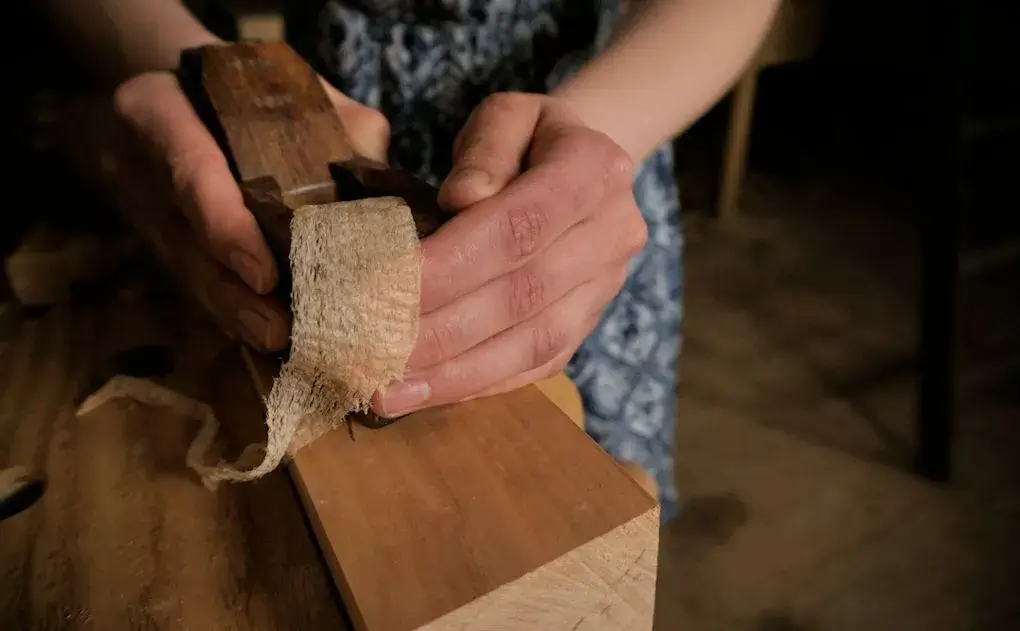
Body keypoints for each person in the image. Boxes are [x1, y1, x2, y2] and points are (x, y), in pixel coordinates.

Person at [39, 0, 780, 522]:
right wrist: (169, 55)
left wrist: (597, 125)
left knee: (573, 510)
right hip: (316, 104)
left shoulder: (581, 166)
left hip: (584, 167)